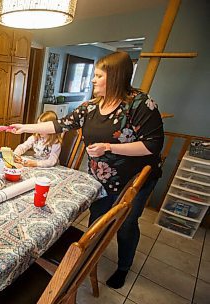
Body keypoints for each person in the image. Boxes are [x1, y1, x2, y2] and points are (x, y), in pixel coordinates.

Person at [11, 52, 164, 289]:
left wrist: (109, 147)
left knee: (125, 224)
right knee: (97, 220)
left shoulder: (140, 104)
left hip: (134, 181)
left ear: (114, 78)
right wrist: (23, 126)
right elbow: (60, 124)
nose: (93, 80)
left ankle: (123, 267)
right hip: (100, 179)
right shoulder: (91, 106)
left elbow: (153, 145)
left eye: (99, 76)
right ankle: (89, 259)